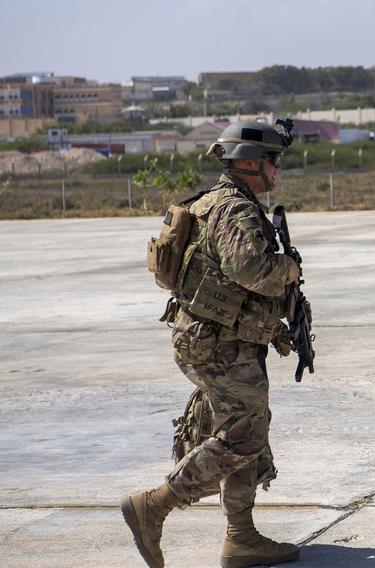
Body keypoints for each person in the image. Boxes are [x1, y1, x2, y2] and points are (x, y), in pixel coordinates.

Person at [122, 120, 302, 568]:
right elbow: (251, 271)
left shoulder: (209, 201)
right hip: (220, 345)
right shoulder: (234, 209)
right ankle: (154, 506)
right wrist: (289, 269)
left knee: (245, 430)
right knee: (243, 437)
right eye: (272, 161)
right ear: (247, 162)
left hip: (215, 339)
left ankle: (241, 539)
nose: (277, 170)